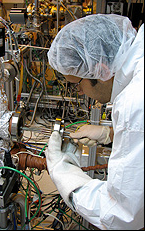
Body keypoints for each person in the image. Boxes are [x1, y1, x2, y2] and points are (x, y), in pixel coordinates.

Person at [45, 14, 144, 230]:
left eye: (77, 83)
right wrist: (110, 134)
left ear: (101, 70)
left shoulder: (135, 101)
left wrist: (64, 174)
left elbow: (121, 216)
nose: (79, 91)